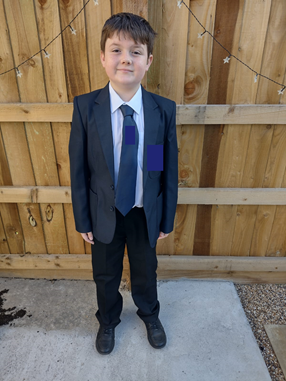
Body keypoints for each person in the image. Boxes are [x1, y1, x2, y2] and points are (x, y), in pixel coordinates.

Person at [69, 12, 178, 355]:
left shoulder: (162, 110)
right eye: (116, 50)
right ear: (103, 57)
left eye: (135, 51)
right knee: (105, 273)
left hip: (144, 210)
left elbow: (164, 166)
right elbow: (78, 168)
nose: (125, 59)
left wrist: (165, 216)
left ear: (148, 60)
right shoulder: (86, 107)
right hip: (105, 210)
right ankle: (108, 320)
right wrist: (83, 219)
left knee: (146, 269)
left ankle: (149, 313)